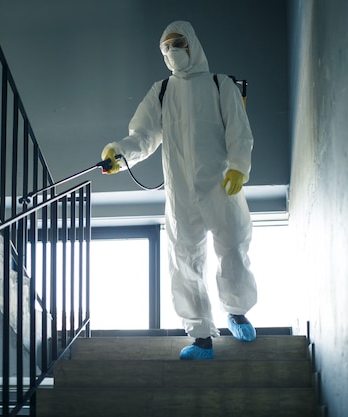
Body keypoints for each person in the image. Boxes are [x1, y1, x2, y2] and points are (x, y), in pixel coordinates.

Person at [100, 21, 258, 360]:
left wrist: (238, 167)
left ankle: (237, 310)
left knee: (232, 245)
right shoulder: (161, 92)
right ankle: (201, 336)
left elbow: (239, 130)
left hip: (220, 186)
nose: (172, 51)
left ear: (193, 45)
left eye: (178, 43)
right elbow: (143, 136)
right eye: (166, 47)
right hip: (181, 193)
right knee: (185, 260)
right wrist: (120, 154)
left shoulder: (221, 85)